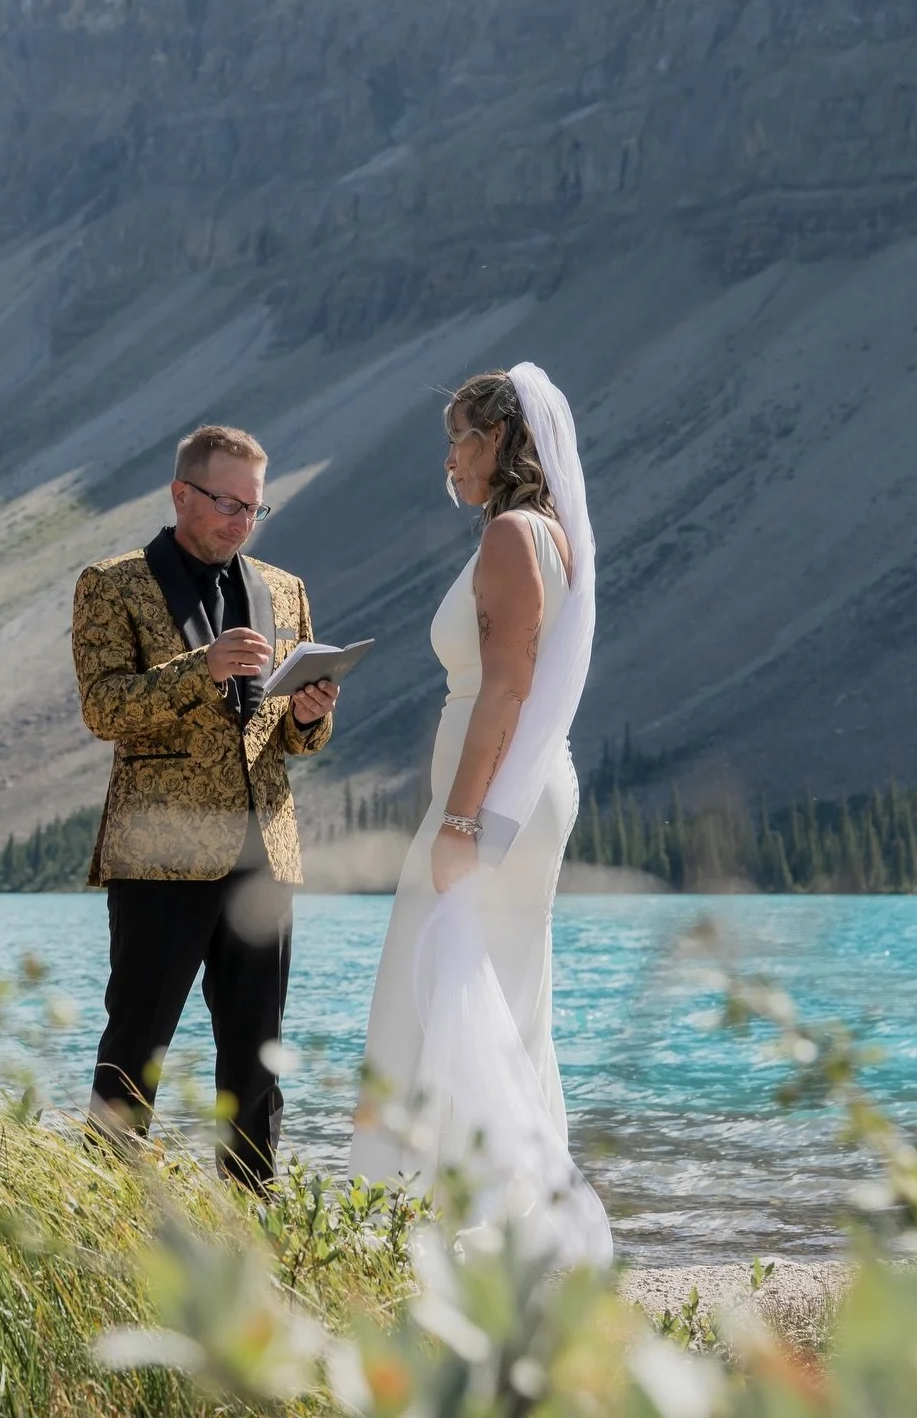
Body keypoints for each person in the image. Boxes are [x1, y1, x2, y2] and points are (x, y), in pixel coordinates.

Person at [348, 365, 612, 1267]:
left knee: (426, 990)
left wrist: (461, 824)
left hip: (494, 803)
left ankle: (443, 1226)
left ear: (500, 439)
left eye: (460, 438)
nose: (450, 459)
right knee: (495, 997)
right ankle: (502, 1219)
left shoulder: (510, 534)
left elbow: (506, 685)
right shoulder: (552, 535)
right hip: (522, 795)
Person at [72, 423, 338, 1186]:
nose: (242, 522)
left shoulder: (285, 590)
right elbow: (104, 710)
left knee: (258, 1056)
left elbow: (295, 740)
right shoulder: (112, 583)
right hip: (160, 853)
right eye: (228, 504)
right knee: (136, 1049)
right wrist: (200, 667)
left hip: (266, 850)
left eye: (254, 508)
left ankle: (249, 1219)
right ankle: (100, 1216)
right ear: (181, 493)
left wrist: (313, 713)